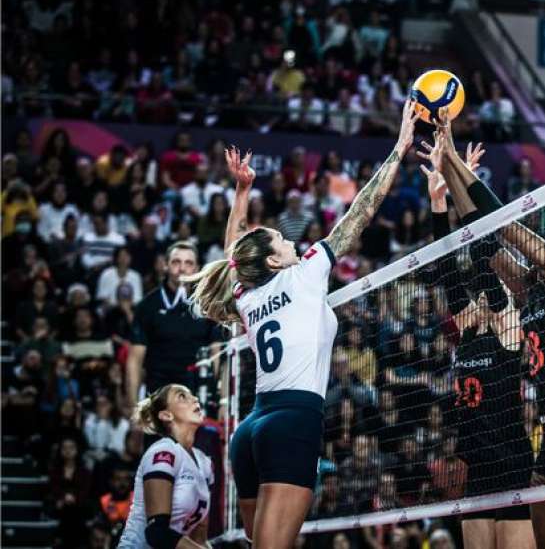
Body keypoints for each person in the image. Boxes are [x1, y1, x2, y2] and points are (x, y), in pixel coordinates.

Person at [184, 103, 418, 549]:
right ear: (274, 259)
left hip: (253, 427)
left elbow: (236, 251)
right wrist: (399, 148)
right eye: (283, 240)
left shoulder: (246, 294)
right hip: (293, 421)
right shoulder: (305, 270)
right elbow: (359, 213)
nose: (293, 241)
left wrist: (241, 193)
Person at [427, 112, 545, 549]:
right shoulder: (529, 290)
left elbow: (502, 224)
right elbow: (484, 241)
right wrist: (451, 168)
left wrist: (457, 161)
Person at [419, 138, 535, 548]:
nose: (484, 294)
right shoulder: (469, 326)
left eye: (491, 291)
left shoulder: (508, 328)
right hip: (476, 465)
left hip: (511, 462)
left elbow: (484, 260)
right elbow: (449, 270)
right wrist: (438, 200)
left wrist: (460, 181)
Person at [125, 242, 220, 423]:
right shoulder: (148, 306)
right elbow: (134, 360)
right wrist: (134, 409)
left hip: (198, 398)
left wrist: (222, 400)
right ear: (165, 265)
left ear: (197, 268)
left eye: (188, 263)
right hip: (159, 400)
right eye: (176, 262)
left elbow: (217, 356)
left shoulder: (208, 306)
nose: (182, 268)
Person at [118, 385, 213, 548]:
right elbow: (156, 533)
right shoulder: (163, 452)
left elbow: (199, 538)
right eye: (182, 396)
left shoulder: (205, 463)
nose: (195, 399)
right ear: (166, 415)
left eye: (192, 395)